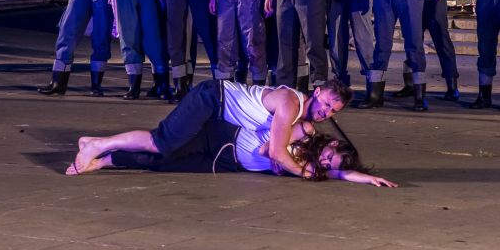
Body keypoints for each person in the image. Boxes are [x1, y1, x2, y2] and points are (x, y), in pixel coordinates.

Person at [67, 78, 353, 178]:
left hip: (217, 117)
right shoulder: (291, 104)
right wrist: (304, 172)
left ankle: (96, 146)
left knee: (167, 149)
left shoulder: (302, 118)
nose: (325, 112)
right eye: (326, 103)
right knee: (161, 142)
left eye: (332, 112)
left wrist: (354, 175)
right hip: (211, 99)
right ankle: (99, 145)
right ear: (317, 91)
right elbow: (276, 152)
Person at [71, 120, 395, 187]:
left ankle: (105, 160)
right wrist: (297, 165)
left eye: (327, 165)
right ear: (332, 144)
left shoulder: (316, 165)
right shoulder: (306, 132)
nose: (324, 163)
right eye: (328, 157)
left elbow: (337, 172)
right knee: (163, 144)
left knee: (162, 165)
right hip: (223, 136)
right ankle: (102, 143)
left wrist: (366, 178)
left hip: (227, 162)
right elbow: (270, 148)